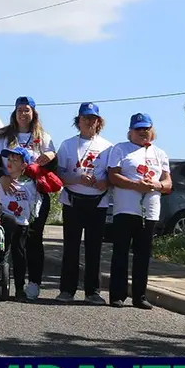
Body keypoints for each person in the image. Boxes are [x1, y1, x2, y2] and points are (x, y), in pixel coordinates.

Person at [0, 96, 57, 300]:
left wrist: (51, 157)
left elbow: (52, 165)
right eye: (19, 110)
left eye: (27, 110)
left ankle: (33, 283)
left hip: (33, 196)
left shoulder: (42, 137)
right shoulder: (3, 135)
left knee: (34, 240)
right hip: (6, 192)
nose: (23, 113)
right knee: (3, 239)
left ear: (33, 113)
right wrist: (1, 176)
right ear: (14, 112)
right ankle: (0, 281)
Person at [106, 113, 172, 309]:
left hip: (149, 211)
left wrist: (157, 185)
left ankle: (139, 295)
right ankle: (117, 294)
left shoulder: (160, 153)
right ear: (131, 132)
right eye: (139, 129)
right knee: (121, 252)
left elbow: (168, 183)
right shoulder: (120, 149)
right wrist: (136, 185)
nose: (143, 132)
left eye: (146, 129)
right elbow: (113, 176)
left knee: (143, 254)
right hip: (126, 209)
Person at [56, 102, 112, 304]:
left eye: (93, 118)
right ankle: (67, 290)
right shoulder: (67, 144)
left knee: (94, 247)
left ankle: (92, 291)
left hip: (98, 201)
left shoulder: (107, 146)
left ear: (99, 122)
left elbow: (112, 176)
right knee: (71, 247)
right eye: (85, 118)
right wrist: (77, 179)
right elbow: (59, 174)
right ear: (78, 120)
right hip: (72, 200)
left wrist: (103, 183)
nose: (89, 122)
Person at [0, 147, 44, 300]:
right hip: (4, 222)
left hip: (22, 223)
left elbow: (34, 203)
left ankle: (19, 288)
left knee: (19, 254)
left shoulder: (29, 184)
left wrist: (31, 218)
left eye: (15, 160)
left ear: (24, 165)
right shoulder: (1, 181)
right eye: (9, 160)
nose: (10, 163)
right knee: (1, 253)